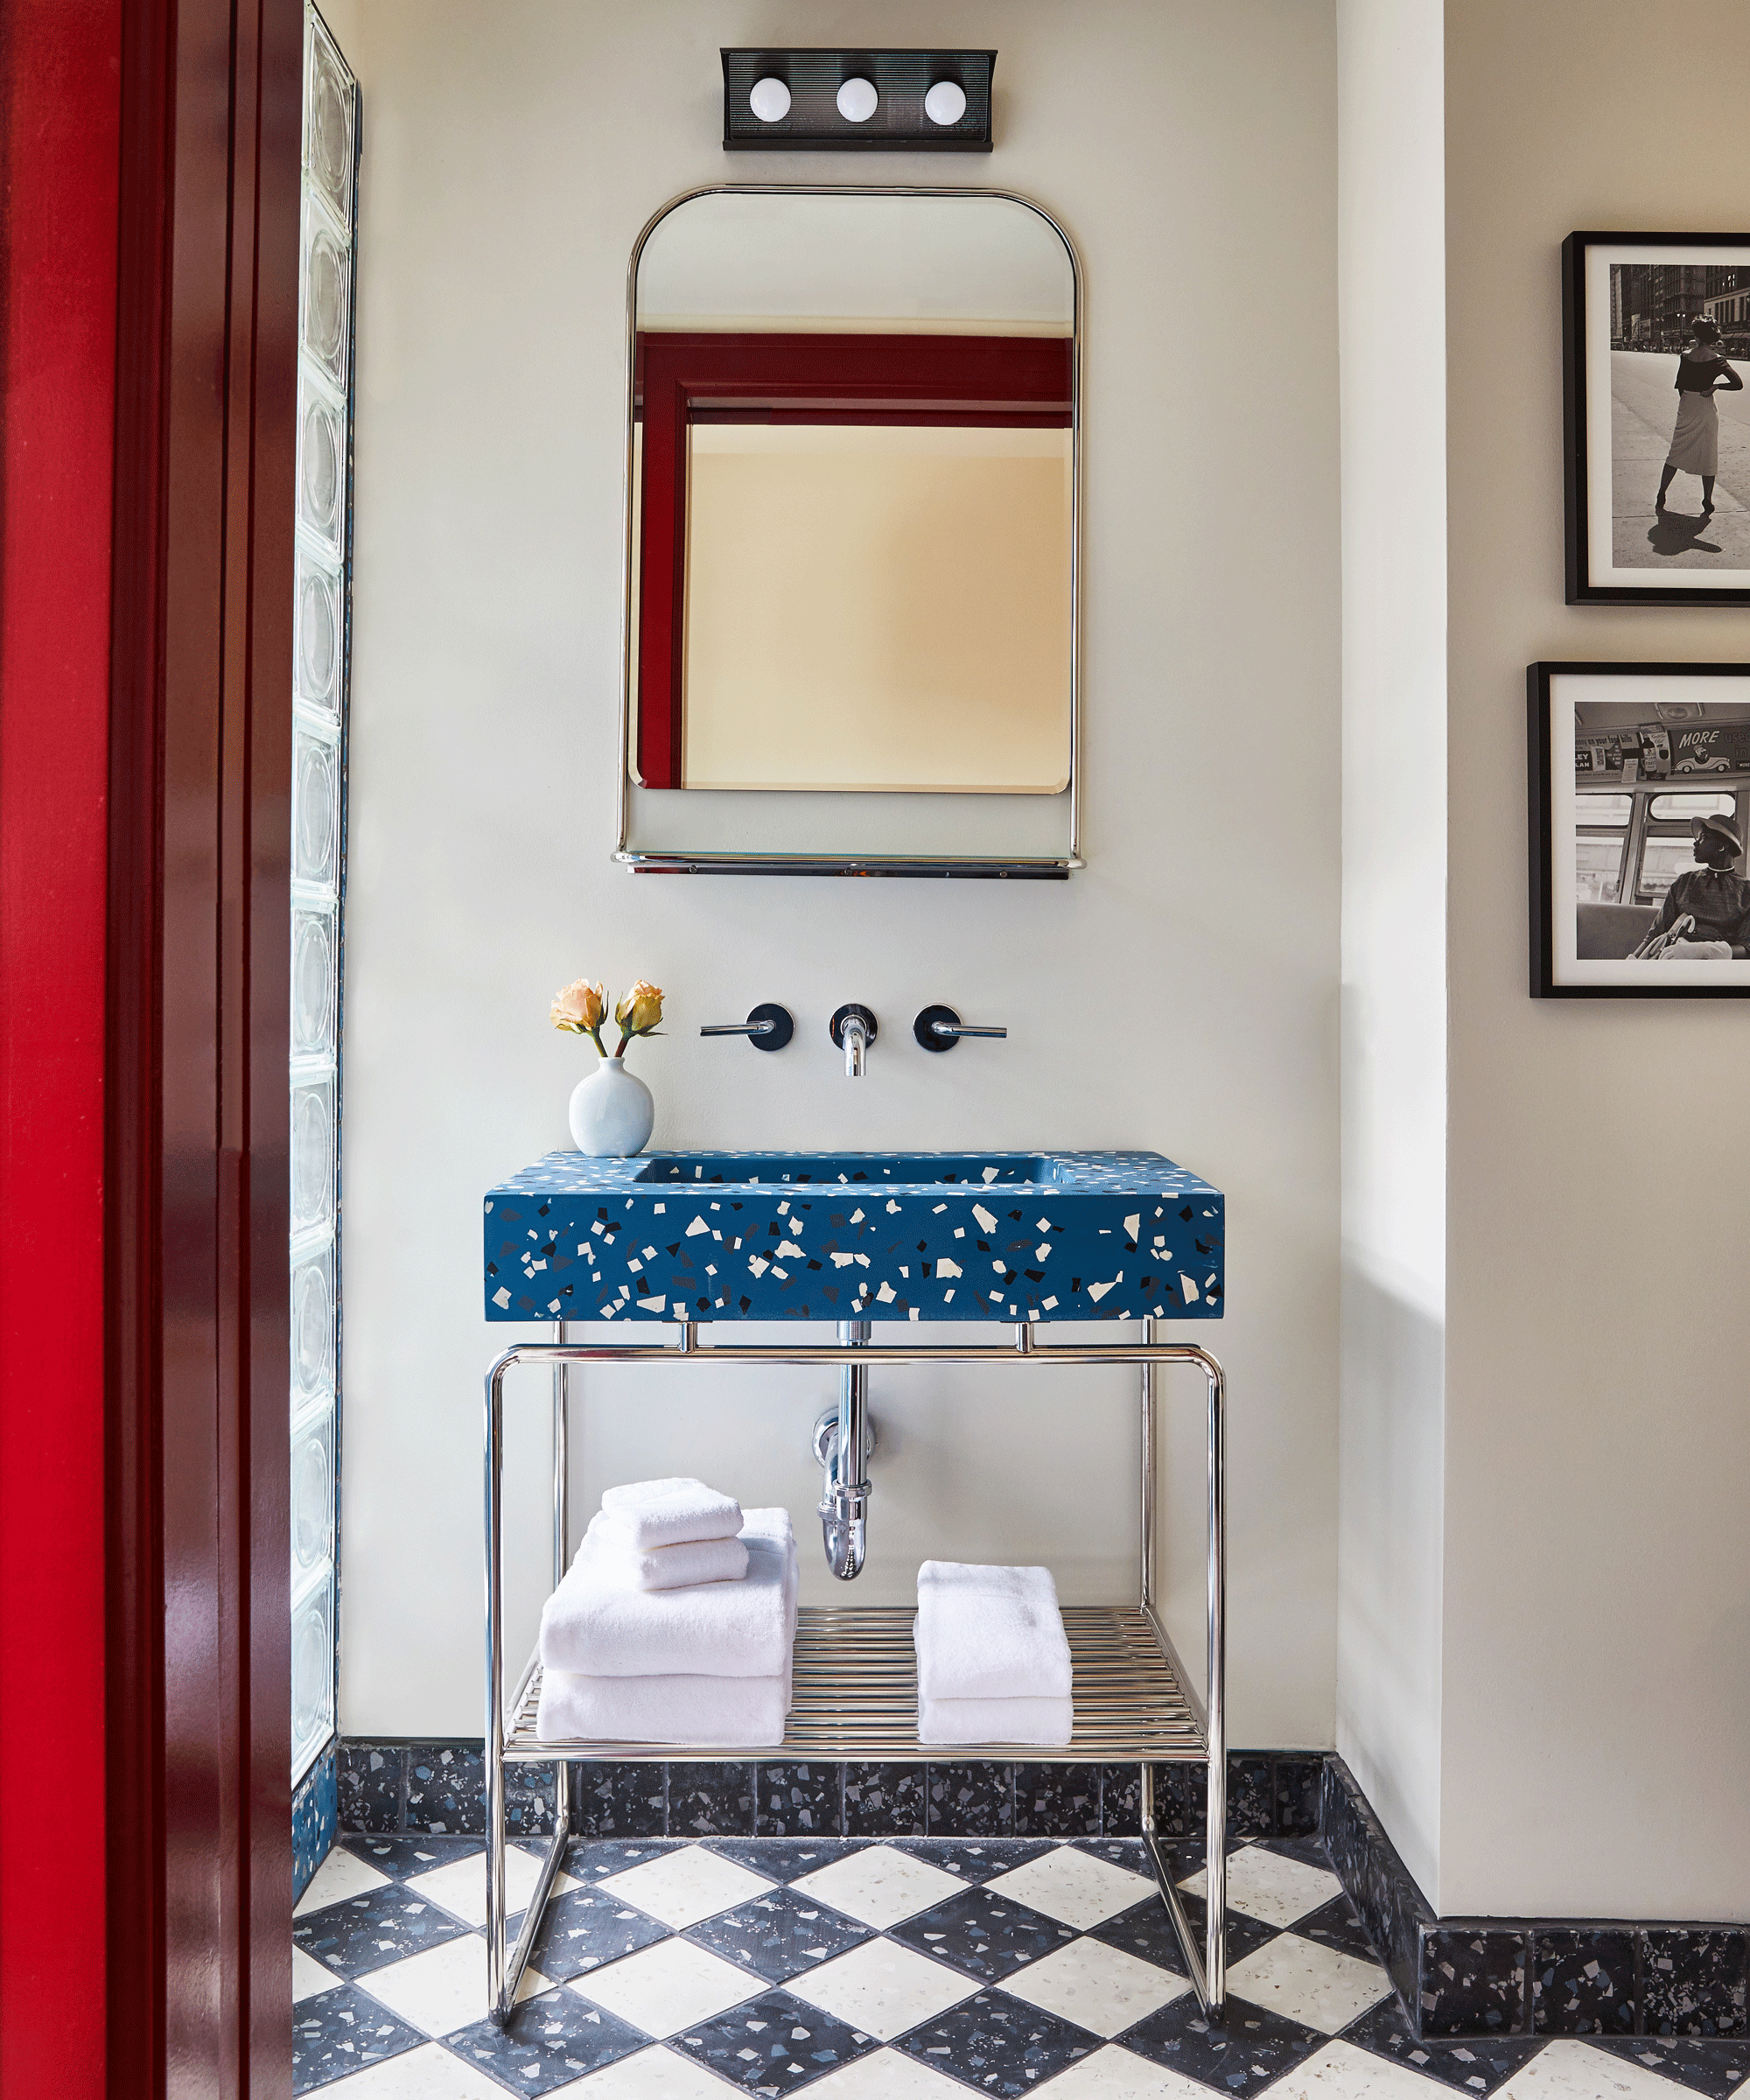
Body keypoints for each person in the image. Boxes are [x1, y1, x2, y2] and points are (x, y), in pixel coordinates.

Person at [1656, 318, 1743, 516]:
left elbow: (1679, 384)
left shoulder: (1685, 356)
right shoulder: (1717, 359)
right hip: (1705, 407)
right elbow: (1738, 384)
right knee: (1708, 453)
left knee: (1676, 450)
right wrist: (1716, 386)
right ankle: (1707, 499)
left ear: (1696, 334)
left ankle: (1662, 492)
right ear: (1713, 337)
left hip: (1687, 404)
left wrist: (1686, 403)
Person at [1638, 810, 1750, 958]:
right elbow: (1656, 933)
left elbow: (1747, 948)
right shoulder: (1685, 882)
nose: (1695, 842)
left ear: (1722, 845)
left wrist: (1708, 951)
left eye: (1702, 838)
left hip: (1720, 969)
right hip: (1673, 959)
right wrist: (1631, 961)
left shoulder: (1746, 891)